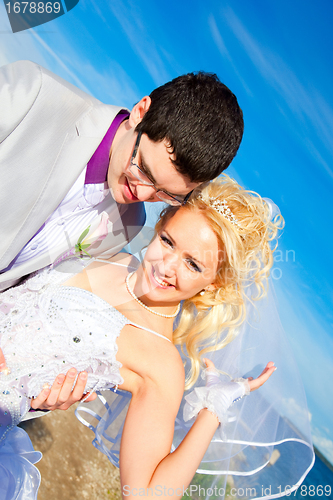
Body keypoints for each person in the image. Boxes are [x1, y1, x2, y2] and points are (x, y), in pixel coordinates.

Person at [0, 176, 314, 499]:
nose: (167, 266)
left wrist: (214, 409)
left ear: (213, 284)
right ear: (160, 222)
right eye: (168, 242)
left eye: (192, 264)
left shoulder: (162, 365)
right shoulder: (113, 251)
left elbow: (145, 495)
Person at [0, 60, 244, 293]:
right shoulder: (32, 94)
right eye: (144, 170)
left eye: (167, 194)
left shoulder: (129, 225)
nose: (142, 194)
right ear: (140, 112)